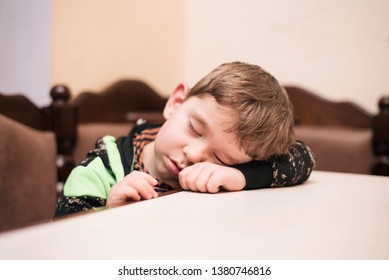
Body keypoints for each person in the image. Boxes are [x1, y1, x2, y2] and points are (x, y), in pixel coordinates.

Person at [54, 61, 315, 217]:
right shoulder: (101, 169)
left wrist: (241, 176)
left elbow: (304, 157)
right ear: (177, 103)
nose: (193, 154)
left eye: (220, 158)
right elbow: (63, 235)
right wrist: (110, 215)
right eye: (194, 128)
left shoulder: (233, 171)